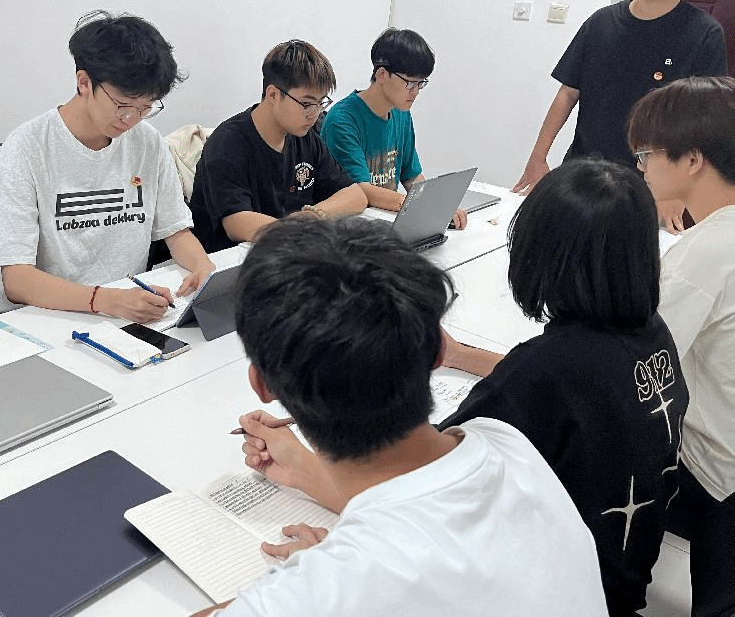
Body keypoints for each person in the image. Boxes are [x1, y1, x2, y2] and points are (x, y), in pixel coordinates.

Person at [194, 218, 608, 617]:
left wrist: (313, 583)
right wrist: (305, 475)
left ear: (263, 385)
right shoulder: (507, 441)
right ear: (438, 351)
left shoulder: (337, 588)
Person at [437, 159, 687, 616]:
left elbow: (416, 471)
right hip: (620, 582)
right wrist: (458, 355)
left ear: (539, 254)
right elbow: (573, 388)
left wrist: (304, 462)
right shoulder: (651, 332)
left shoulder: (548, 367)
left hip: (561, 597)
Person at [0, 10, 214, 321]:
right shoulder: (26, 148)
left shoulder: (147, 142)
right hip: (40, 318)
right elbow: (16, 280)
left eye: (145, 108)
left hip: (118, 314)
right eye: (123, 105)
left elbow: (175, 231)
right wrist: (106, 300)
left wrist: (202, 266)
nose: (131, 119)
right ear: (84, 82)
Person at [513, 0, 726, 234]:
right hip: (584, 169)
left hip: (653, 186)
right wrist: (538, 157)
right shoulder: (601, 23)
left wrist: (679, 190)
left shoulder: (704, 34)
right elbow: (567, 93)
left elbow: (706, 121)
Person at [628, 75, 735, 617]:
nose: (641, 168)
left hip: (719, 475)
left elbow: (623, 366)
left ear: (693, 160)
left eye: (646, 154)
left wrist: (463, 356)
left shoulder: (707, 251)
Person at [189, 40, 367, 253]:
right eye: (306, 104)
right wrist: (299, 229)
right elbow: (237, 224)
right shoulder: (227, 143)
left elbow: (355, 195)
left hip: (288, 251)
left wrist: (314, 215)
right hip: (234, 260)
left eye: (321, 103)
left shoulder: (305, 137)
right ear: (273, 94)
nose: (314, 114)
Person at [321, 27, 467, 229]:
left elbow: (412, 175)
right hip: (349, 226)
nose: (416, 92)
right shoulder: (343, 120)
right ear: (382, 74)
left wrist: (437, 206)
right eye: (410, 83)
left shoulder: (401, 113)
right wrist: (417, 206)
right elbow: (361, 190)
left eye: (421, 83)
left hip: (385, 220)